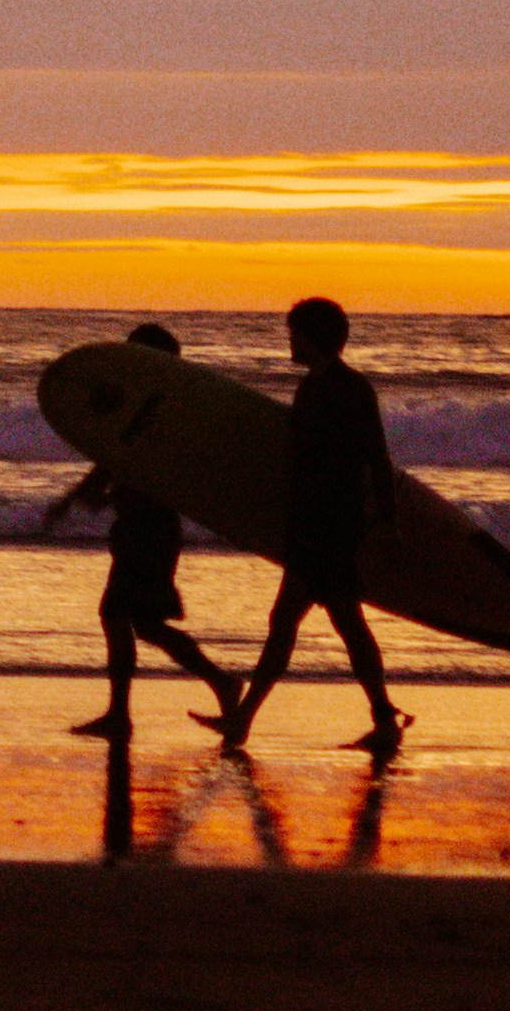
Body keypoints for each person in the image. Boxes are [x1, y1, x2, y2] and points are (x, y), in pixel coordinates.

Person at [228, 293, 408, 760]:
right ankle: (384, 719)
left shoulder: (351, 388)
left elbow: (377, 456)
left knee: (300, 622)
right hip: (311, 520)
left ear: (311, 338)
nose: (289, 341)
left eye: (294, 334)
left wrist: (386, 521)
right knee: (336, 622)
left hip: (332, 522)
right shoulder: (310, 387)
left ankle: (244, 719)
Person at [71, 320, 246, 742]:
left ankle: (121, 715)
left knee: (116, 615)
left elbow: (130, 463)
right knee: (145, 625)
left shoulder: (157, 410)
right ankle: (220, 683)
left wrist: (93, 492)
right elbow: (117, 461)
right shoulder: (153, 406)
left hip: (148, 531)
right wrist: (91, 493)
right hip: (144, 528)